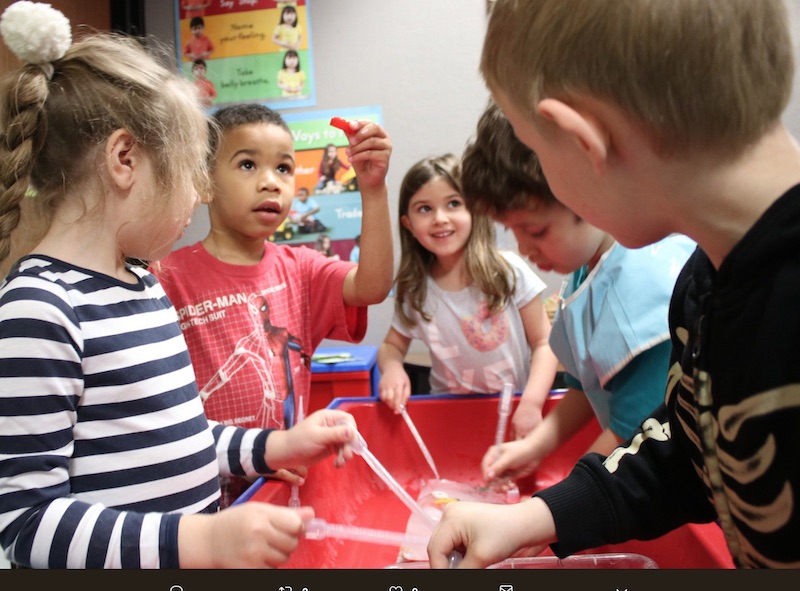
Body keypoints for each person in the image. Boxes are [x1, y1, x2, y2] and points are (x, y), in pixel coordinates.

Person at [428, 0, 800, 570]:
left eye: (536, 149)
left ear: (584, 140)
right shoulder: (702, 282)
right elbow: (691, 447)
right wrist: (534, 518)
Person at [0, 2, 360, 569]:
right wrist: (200, 542)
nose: (196, 195)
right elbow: (22, 522)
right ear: (125, 159)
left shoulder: (143, 285)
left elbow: (185, 434)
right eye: (192, 171)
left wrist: (274, 447)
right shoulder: (40, 309)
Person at [152, 103, 393, 507]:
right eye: (247, 165)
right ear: (205, 182)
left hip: (281, 493)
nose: (271, 183)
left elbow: (372, 286)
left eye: (283, 168)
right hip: (203, 502)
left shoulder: (300, 269)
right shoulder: (167, 278)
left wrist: (373, 189)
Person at [460, 101, 694, 490]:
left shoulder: (638, 292)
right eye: (513, 231)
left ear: (584, 189)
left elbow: (630, 434)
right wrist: (534, 446)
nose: (524, 249)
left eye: (535, 231)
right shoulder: (588, 269)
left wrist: (556, 506)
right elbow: (594, 386)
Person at [377, 154, 559, 438]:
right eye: (424, 208)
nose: (440, 218)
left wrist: (532, 403)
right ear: (408, 224)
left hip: (514, 411)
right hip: (449, 420)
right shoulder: (415, 289)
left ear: (475, 210)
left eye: (453, 203)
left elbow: (544, 342)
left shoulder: (509, 271)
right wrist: (392, 369)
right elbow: (391, 345)